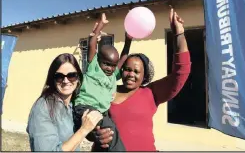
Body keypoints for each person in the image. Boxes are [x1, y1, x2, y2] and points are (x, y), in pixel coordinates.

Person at [93, 8, 191, 151]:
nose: (131, 74)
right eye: (127, 69)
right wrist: (94, 134)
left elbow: (181, 73)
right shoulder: (107, 89)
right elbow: (89, 119)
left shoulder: (151, 93)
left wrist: (179, 34)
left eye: (136, 71)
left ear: (144, 76)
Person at [73, 13, 132, 151]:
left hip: (100, 113)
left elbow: (124, 56)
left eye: (113, 65)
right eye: (106, 64)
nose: (109, 68)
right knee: (110, 129)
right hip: (84, 108)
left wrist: (128, 40)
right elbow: (93, 43)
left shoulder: (113, 75)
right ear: (98, 60)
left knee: (105, 137)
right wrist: (100, 25)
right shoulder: (94, 67)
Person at [26, 53, 103, 151]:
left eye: (71, 75)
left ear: (78, 78)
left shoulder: (72, 104)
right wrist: (84, 130)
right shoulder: (43, 107)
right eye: (59, 76)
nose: (66, 81)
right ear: (52, 80)